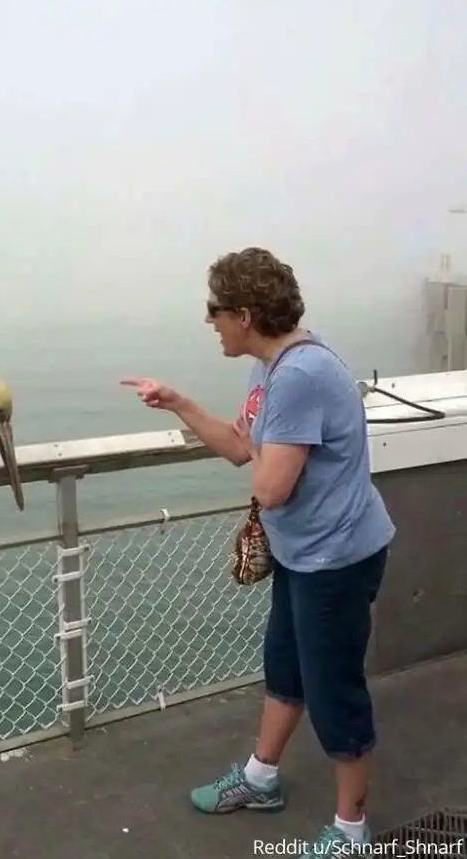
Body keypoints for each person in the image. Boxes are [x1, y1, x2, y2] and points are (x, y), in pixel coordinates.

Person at [120, 246, 395, 855]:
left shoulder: (298, 376)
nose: (209, 321)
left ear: (244, 315)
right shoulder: (270, 368)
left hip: (336, 559)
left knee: (335, 692)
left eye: (215, 310)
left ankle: (352, 829)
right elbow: (241, 448)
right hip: (303, 553)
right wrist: (180, 402)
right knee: (286, 669)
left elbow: (270, 488)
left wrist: (260, 450)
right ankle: (260, 778)